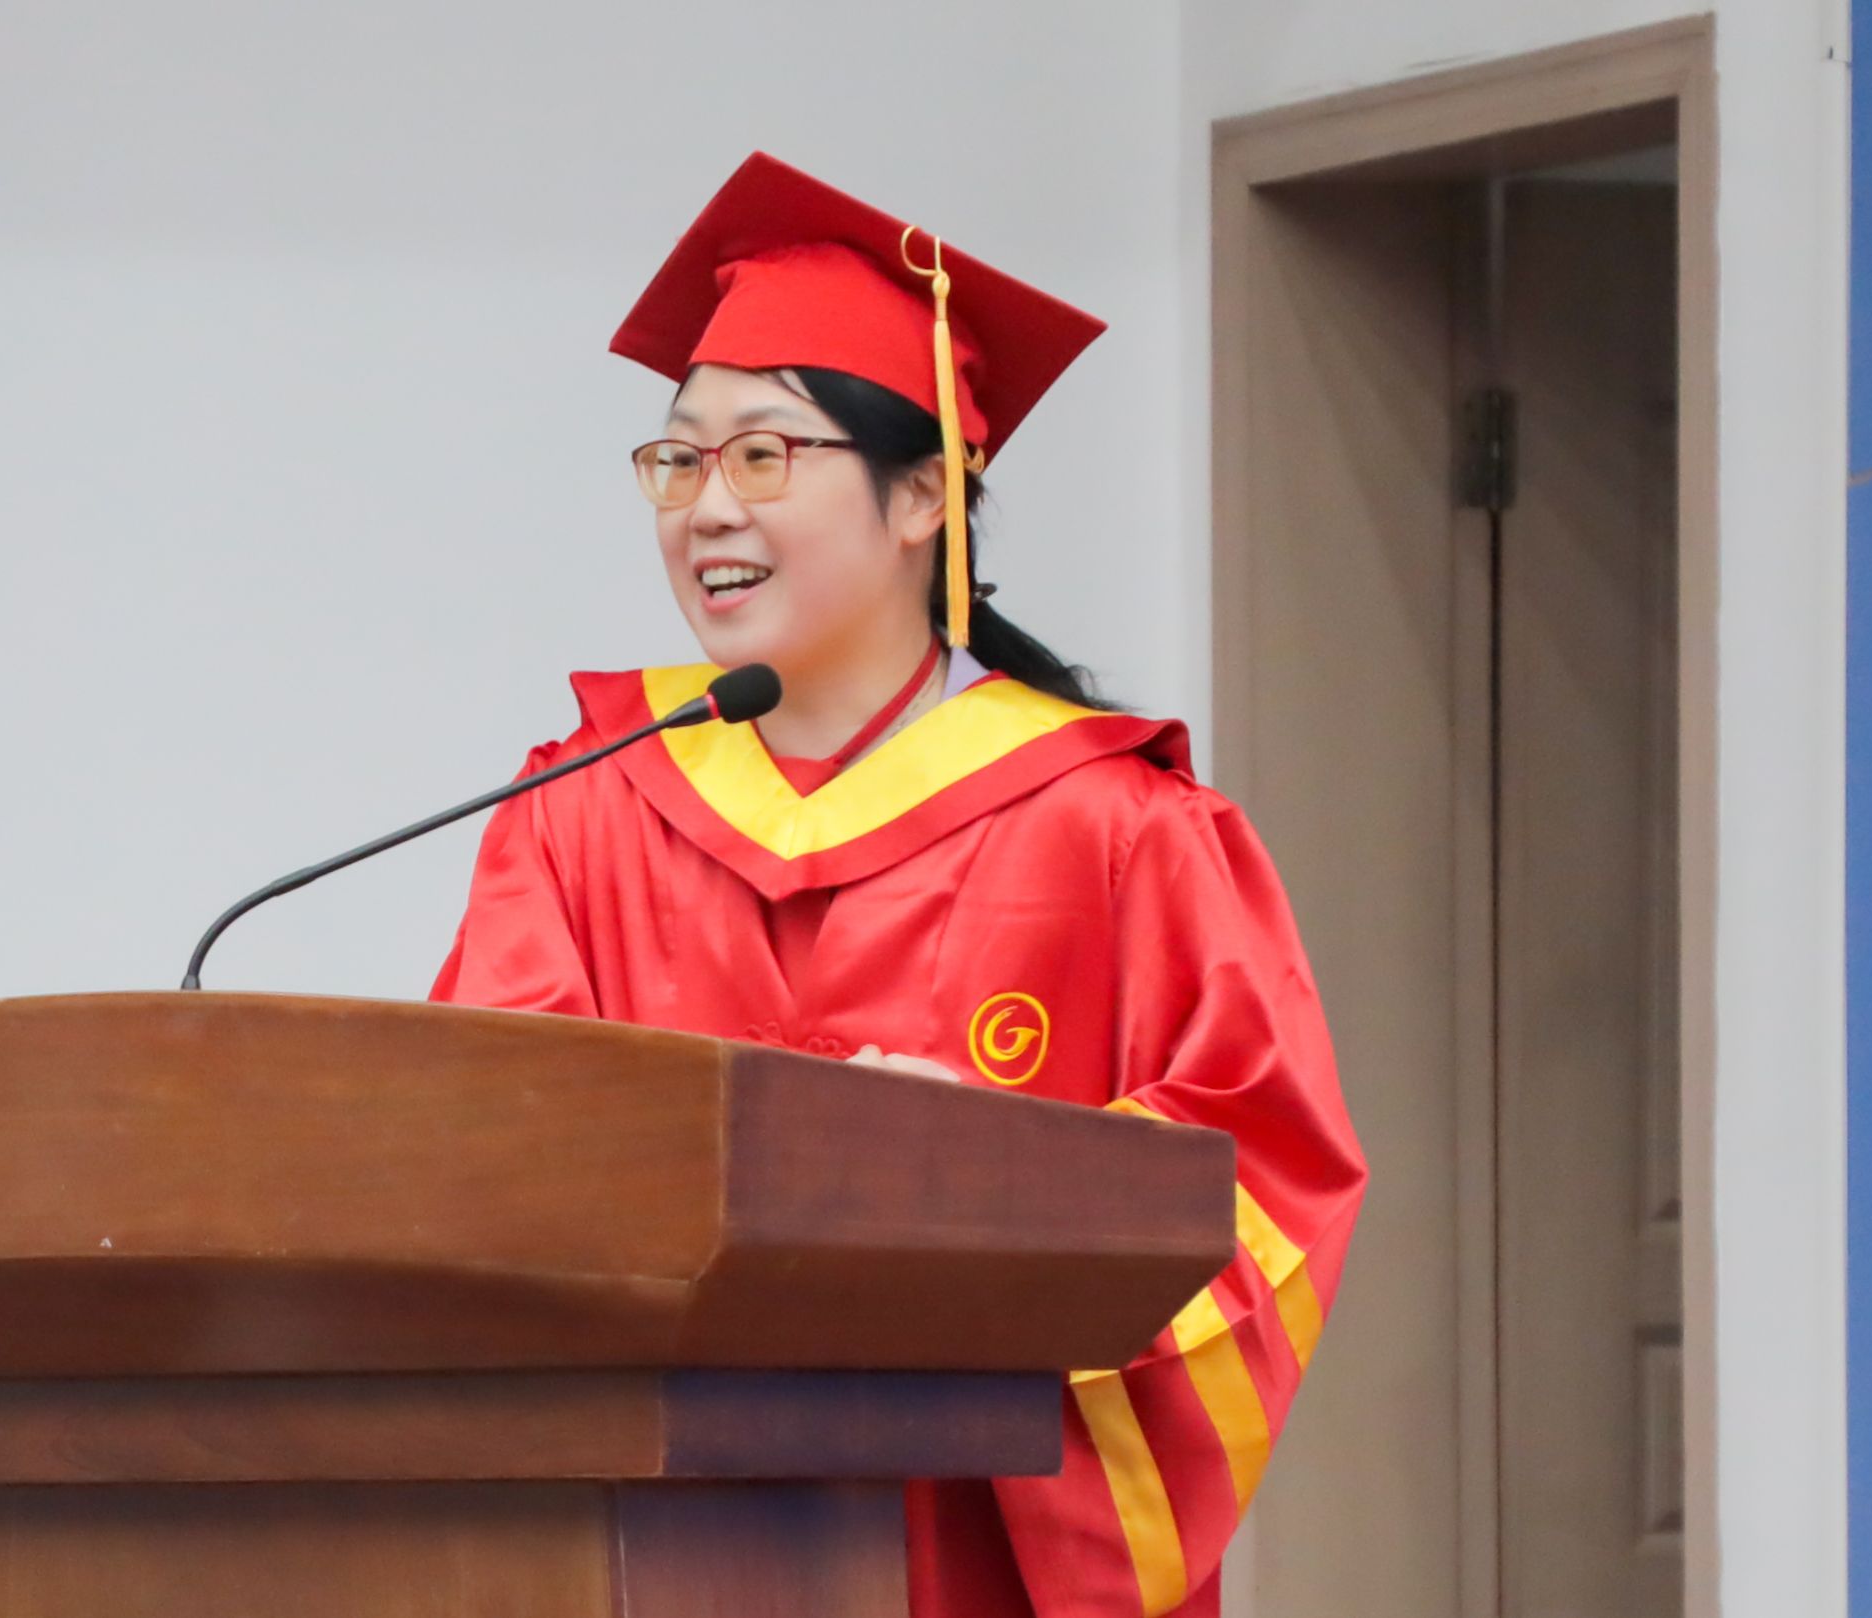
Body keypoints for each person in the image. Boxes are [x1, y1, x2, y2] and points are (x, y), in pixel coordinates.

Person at [429, 152, 1369, 1618]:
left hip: (977, 1555)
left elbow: (1263, 1191)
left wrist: (994, 1183)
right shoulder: (581, 809)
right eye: (679, 461)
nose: (707, 508)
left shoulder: (1120, 827)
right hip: (657, 1549)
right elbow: (477, 1165)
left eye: (763, 455)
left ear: (924, 491)